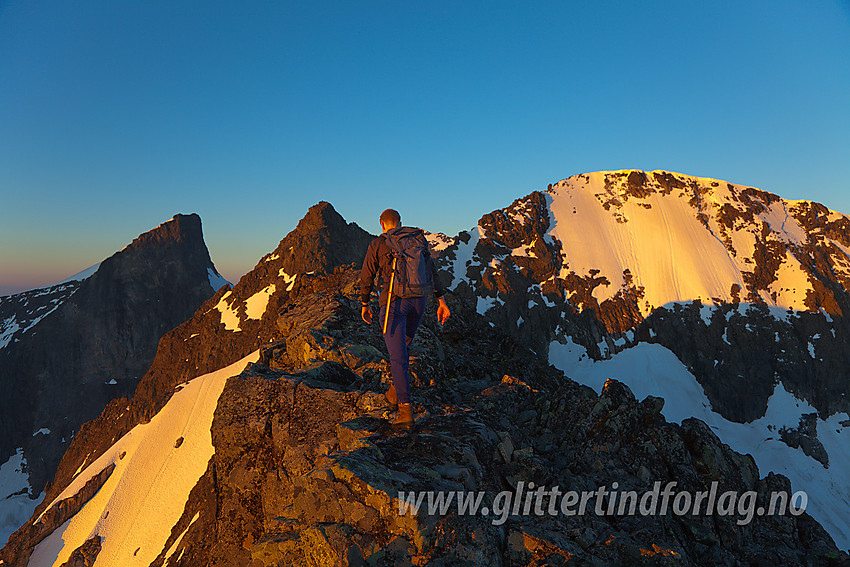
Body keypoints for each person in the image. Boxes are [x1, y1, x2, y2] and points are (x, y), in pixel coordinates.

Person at [360, 208, 450, 428]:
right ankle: (395, 391)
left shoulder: (378, 244)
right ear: (400, 222)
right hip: (418, 302)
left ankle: (405, 410)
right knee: (403, 349)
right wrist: (441, 301)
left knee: (397, 357)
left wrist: (364, 304)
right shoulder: (417, 240)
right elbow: (432, 271)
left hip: (394, 303)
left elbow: (367, 275)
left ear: (382, 224)